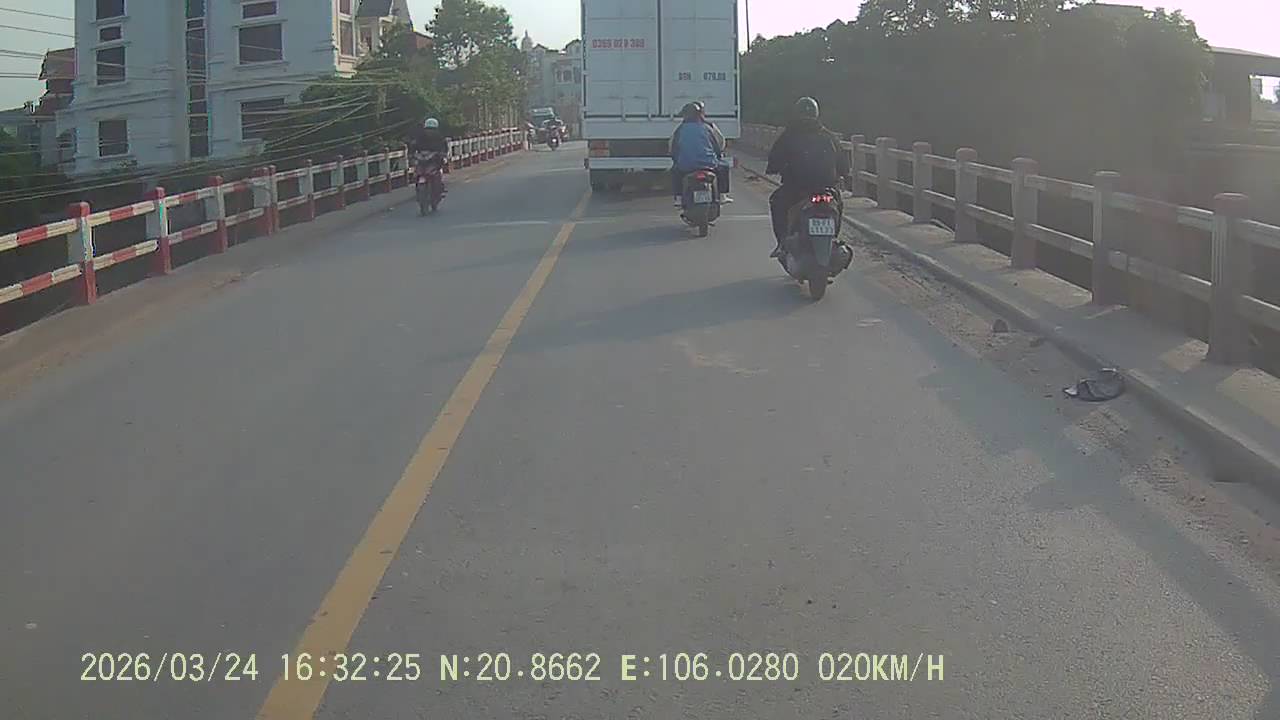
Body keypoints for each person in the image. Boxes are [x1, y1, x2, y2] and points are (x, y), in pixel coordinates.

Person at [764, 97, 850, 258]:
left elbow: (774, 159)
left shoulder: (789, 135)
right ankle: (833, 238)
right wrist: (843, 175)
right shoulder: (828, 136)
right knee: (837, 205)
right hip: (827, 189)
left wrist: (773, 168)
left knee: (776, 202)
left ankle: (782, 243)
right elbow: (844, 164)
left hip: (797, 189)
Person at [669, 101, 733, 207]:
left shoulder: (680, 129)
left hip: (686, 165)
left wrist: (676, 158)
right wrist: (718, 154)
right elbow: (719, 143)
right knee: (724, 167)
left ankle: (679, 198)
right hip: (709, 164)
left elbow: (673, 147)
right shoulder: (709, 127)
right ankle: (722, 196)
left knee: (675, 171)